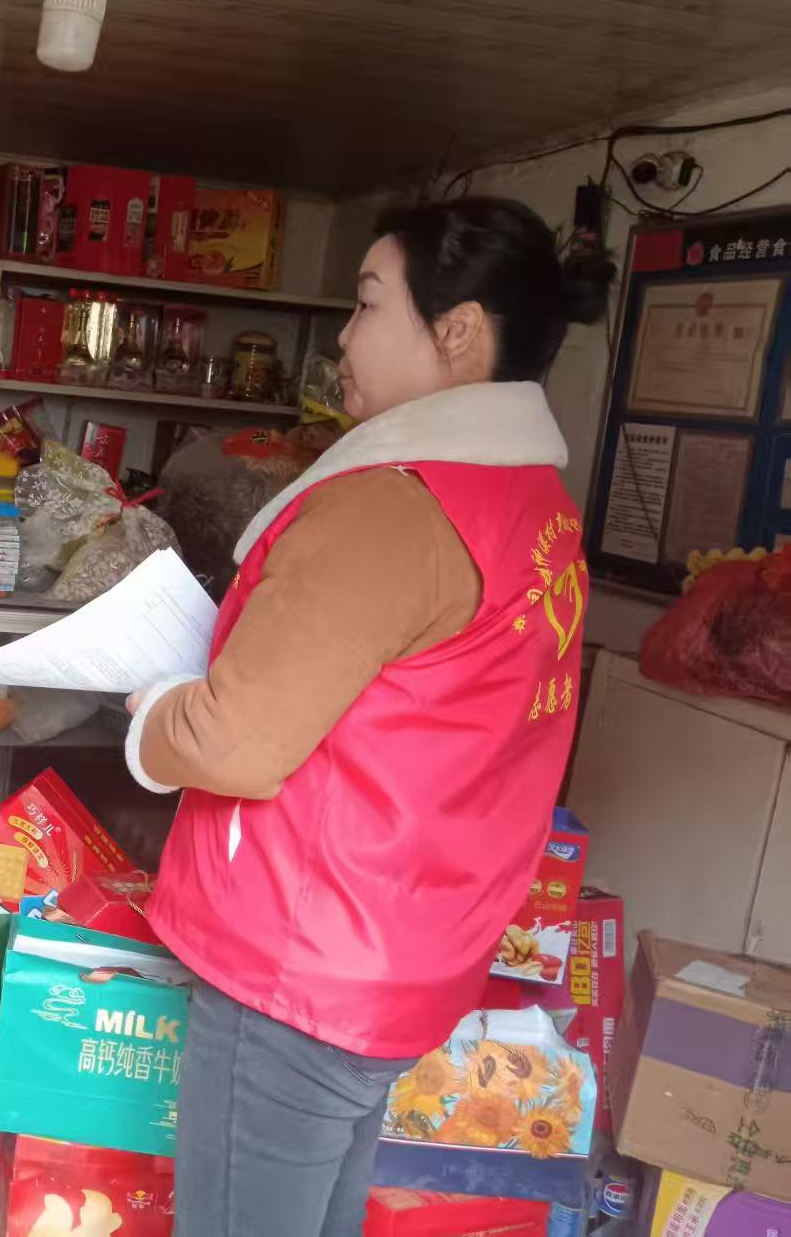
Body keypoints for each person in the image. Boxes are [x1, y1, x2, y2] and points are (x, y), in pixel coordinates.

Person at [124, 198, 614, 1236]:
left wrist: (153, 713)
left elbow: (234, 742)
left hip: (302, 956)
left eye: (366, 304)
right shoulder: (531, 502)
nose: (342, 337)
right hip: (405, 947)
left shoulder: (393, 503)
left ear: (457, 332)